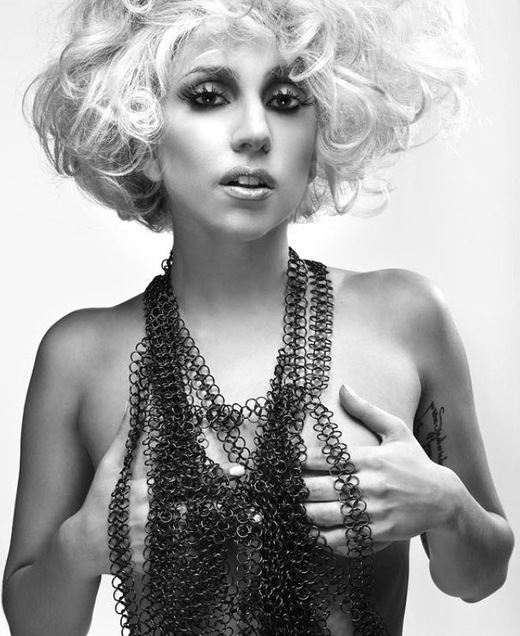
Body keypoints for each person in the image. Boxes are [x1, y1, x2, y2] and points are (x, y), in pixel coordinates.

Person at [2, 0, 514, 635]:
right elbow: (34, 624)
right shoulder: (79, 356)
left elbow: (478, 577)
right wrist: (83, 544)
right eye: (209, 96)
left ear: (321, 137)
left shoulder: (407, 317)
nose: (255, 131)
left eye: (286, 99)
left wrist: (446, 505)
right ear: (143, 137)